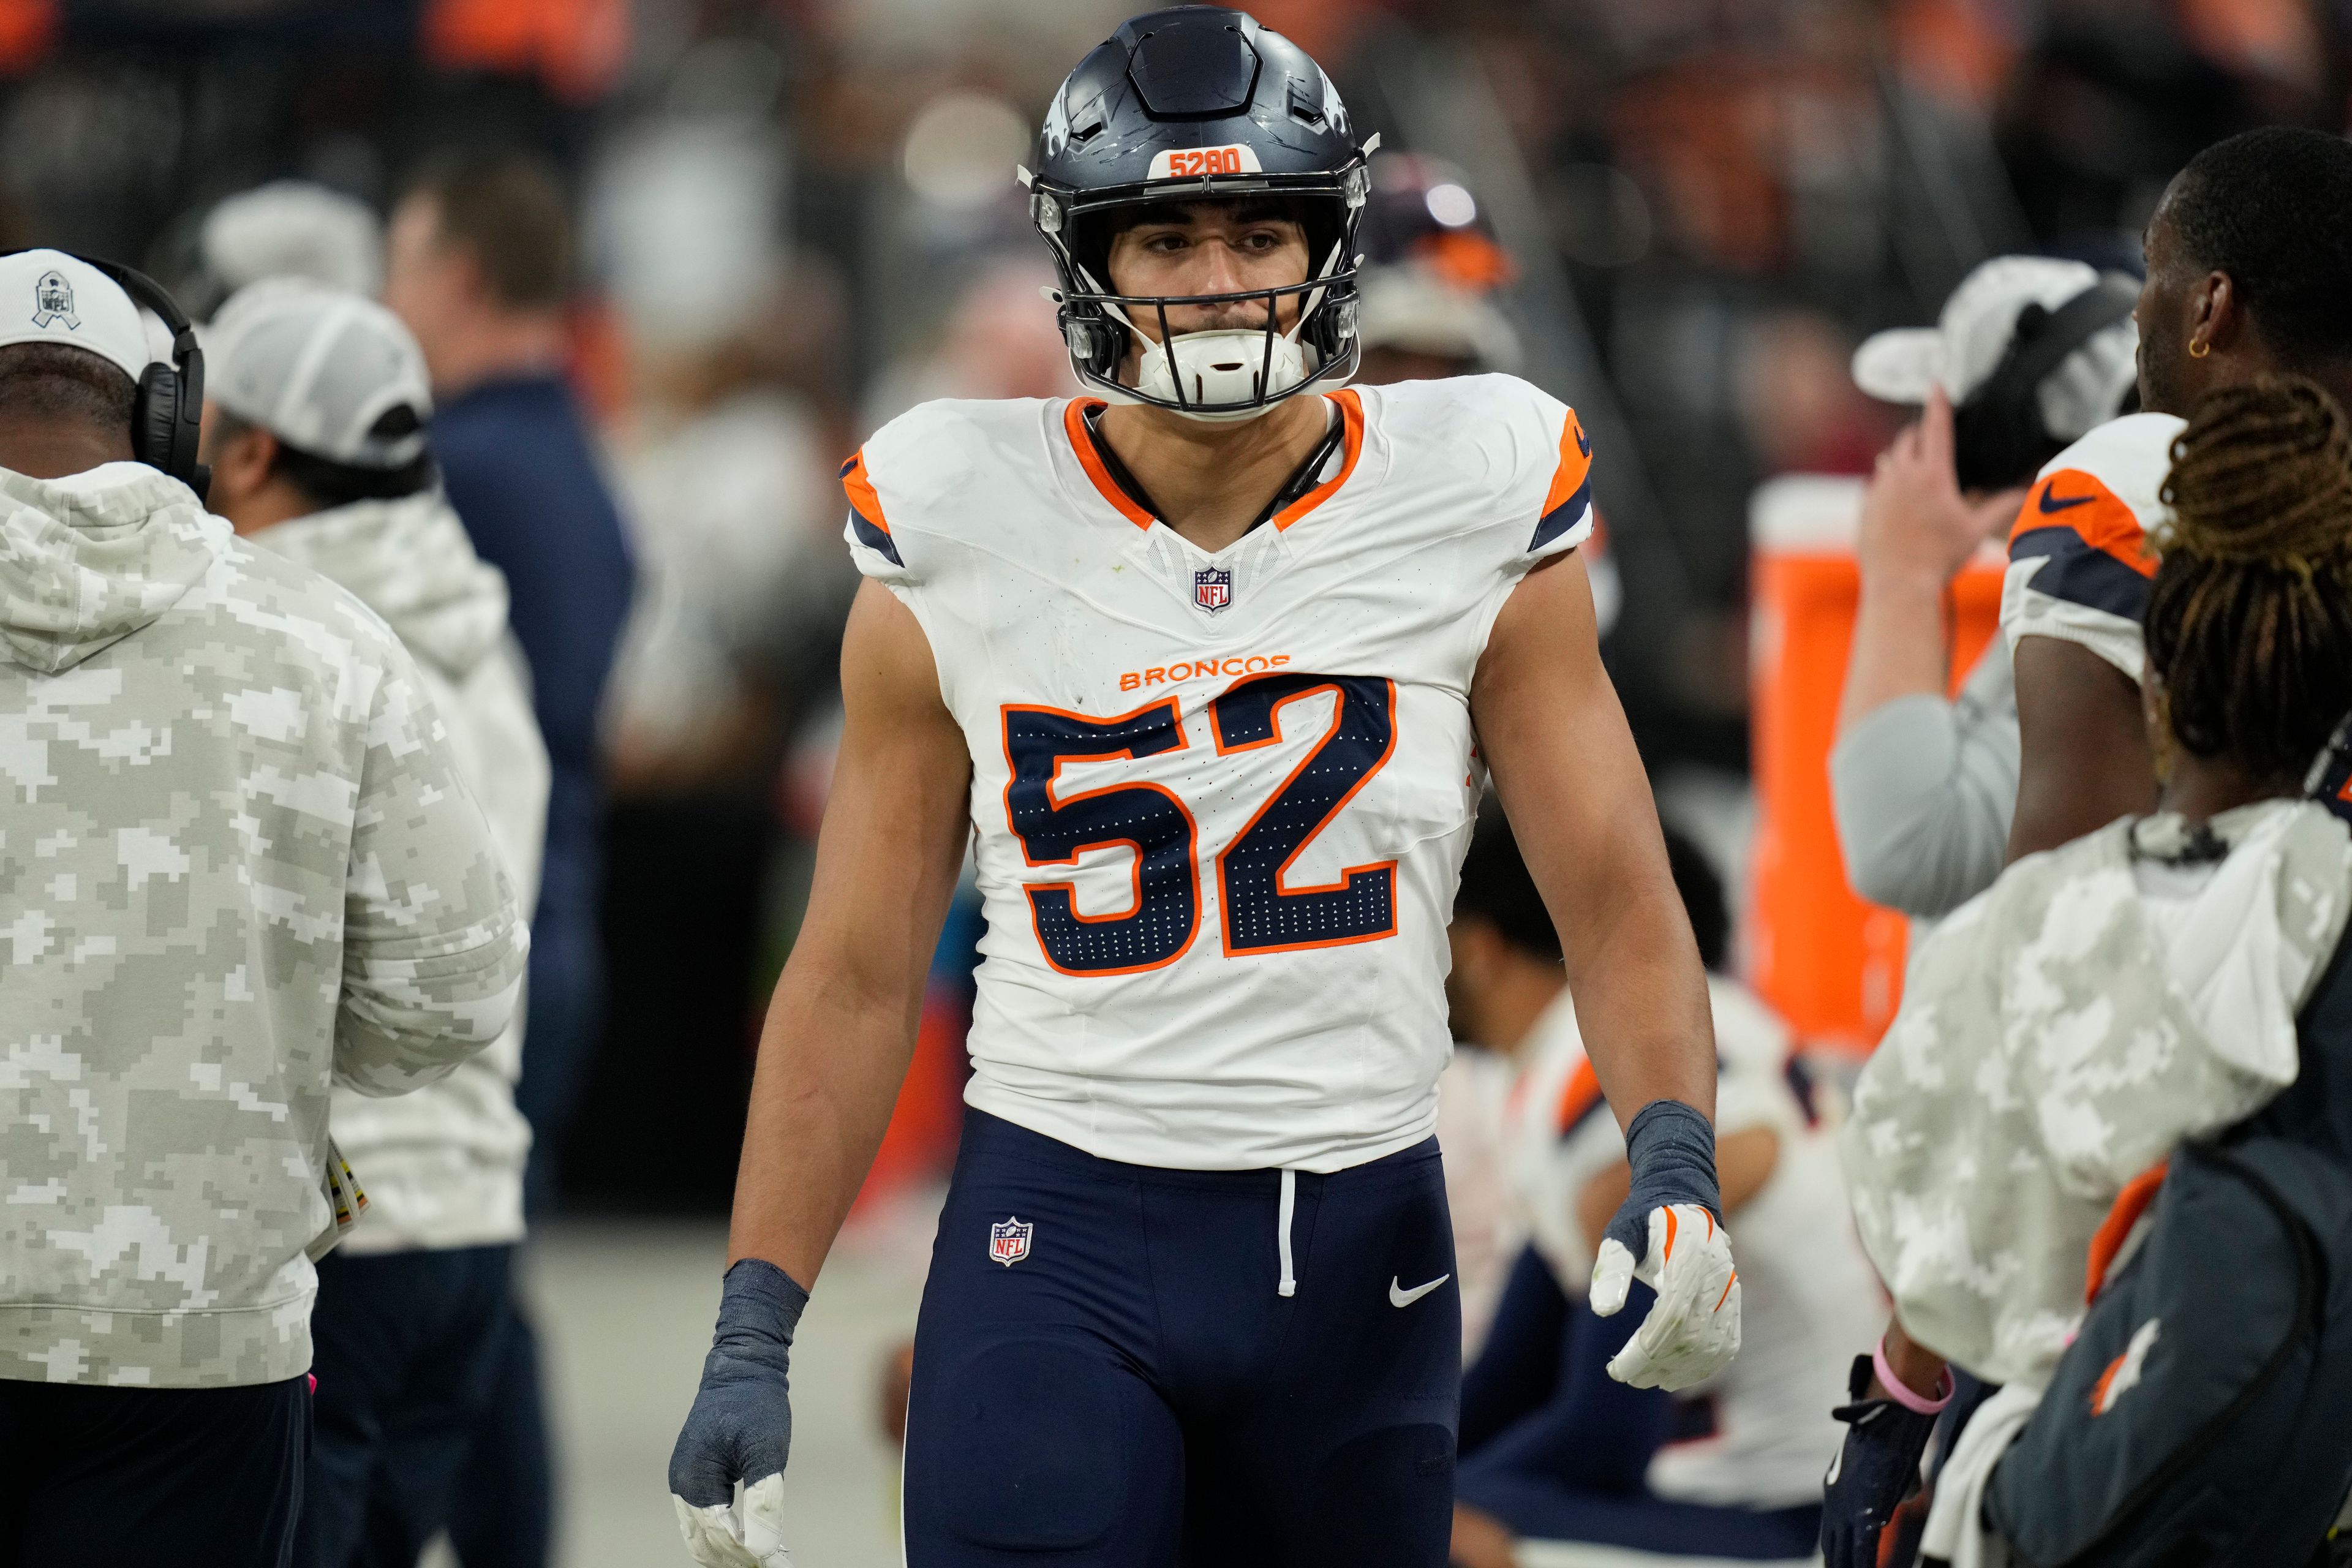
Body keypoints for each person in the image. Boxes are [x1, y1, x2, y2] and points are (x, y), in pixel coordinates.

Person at [668, 10, 1740, 1567]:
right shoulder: (957, 508)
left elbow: (1616, 892)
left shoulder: (1472, 483)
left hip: (1364, 1238)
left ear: (1329, 243)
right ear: (1082, 256)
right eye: (1164, 233)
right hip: (1059, 1227)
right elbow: (848, 967)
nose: (1220, 275)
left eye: (1257, 226)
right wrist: (754, 1315)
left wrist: (1673, 1157)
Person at [0, 250, 527, 1568]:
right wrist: (254, 1037)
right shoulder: (328, 643)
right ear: (170, 419)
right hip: (203, 1346)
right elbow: (450, 994)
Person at [1822, 375, 2352, 1565]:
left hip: (2075, 1483)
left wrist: (1879, 1458)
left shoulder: (2043, 929)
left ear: (2157, 678)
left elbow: (1942, 1287)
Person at [195, 279, 551, 1568]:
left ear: (248, 450)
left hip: (347, 1232)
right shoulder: (472, 616)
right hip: (469, 1224)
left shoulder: (277, 644)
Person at [383, 148, 633, 1568]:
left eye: (404, 266)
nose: (389, 297)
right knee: (487, 1281)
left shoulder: (463, 465)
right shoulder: (571, 450)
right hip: (562, 917)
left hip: (491, 937)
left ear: (462, 277)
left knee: (458, 1294)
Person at [1448, 812, 1880, 1567]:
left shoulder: (1599, 1060)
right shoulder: (1596, 1049)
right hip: (1785, 1483)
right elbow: (1510, 1375)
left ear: (1480, 946)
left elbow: (1603, 1436)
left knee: (1426, 1532)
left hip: (1801, 1512)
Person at [2003, 127, 2352, 865]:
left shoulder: (2130, 478)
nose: (2136, 312)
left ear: (2210, 306)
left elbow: (2065, 903)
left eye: (2154, 270)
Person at [1833, 256, 2138, 919]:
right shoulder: (2089, 589)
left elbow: (1904, 847)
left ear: (1995, 436)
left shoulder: (2110, 611)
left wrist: (1903, 578)